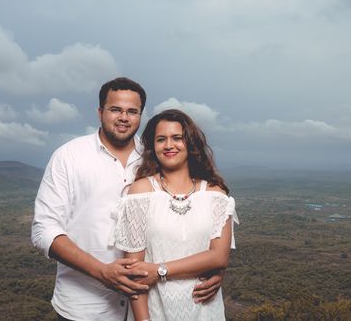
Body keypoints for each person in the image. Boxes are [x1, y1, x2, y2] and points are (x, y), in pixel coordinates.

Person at [32, 78, 224, 320]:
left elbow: (188, 224)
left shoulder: (157, 158)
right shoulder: (68, 157)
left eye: (132, 111)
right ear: (100, 112)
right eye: (115, 109)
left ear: (141, 116)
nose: (124, 117)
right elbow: (44, 231)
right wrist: (102, 272)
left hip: (150, 305)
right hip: (85, 308)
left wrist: (214, 270)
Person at [111, 109, 237, 321]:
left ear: (190, 143)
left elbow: (219, 257)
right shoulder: (141, 192)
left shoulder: (215, 195)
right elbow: (135, 273)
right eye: (161, 139)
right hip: (156, 311)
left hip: (206, 311)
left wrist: (159, 270)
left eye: (177, 138)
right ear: (153, 147)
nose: (169, 145)